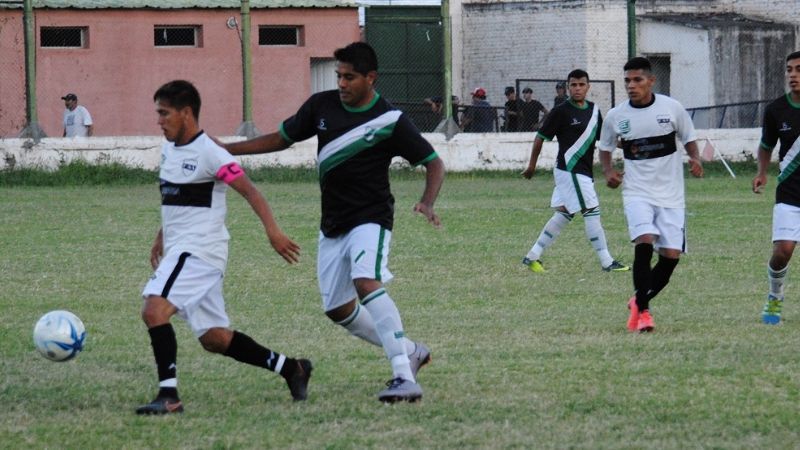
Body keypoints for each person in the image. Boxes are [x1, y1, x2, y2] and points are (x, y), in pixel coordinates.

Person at [218, 42, 445, 403]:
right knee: (337, 309)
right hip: (333, 223)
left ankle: (403, 375)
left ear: (371, 78)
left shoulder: (390, 120)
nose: (341, 82)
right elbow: (281, 138)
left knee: (365, 280)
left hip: (371, 217)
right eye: (339, 75)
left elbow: (434, 162)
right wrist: (229, 149)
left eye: (349, 77)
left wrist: (427, 201)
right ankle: (412, 350)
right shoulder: (321, 106)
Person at [136, 80, 312, 415]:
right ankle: (292, 368)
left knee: (154, 310)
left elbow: (251, 191)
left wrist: (273, 232)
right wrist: (162, 235)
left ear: (186, 113)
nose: (159, 121)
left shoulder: (211, 152)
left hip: (200, 252)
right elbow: (176, 196)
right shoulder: (169, 148)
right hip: (181, 249)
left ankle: (168, 395)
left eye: (164, 113)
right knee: (214, 338)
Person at [598, 57, 703, 333]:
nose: (631, 86)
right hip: (637, 192)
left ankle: (638, 300)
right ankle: (644, 312)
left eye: (637, 80)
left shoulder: (672, 108)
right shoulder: (616, 116)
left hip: (671, 195)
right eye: (627, 81)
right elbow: (606, 147)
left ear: (651, 81)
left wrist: (695, 159)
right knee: (644, 241)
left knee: (670, 256)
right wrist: (608, 171)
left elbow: (689, 137)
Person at [521, 69, 629, 274]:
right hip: (570, 170)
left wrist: (629, 145)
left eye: (581, 84)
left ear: (588, 86)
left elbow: (603, 138)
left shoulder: (594, 110)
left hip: (582, 172)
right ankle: (607, 262)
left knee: (564, 213)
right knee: (592, 211)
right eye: (573, 85)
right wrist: (532, 165)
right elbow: (540, 137)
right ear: (568, 87)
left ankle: (532, 256)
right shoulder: (561, 111)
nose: (577, 88)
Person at [752, 50, 800, 325]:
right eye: (790, 70)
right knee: (782, 251)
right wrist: (761, 173)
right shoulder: (775, 110)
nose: (793, 75)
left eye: (799, 70)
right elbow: (766, 146)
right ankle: (775, 296)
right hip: (790, 193)